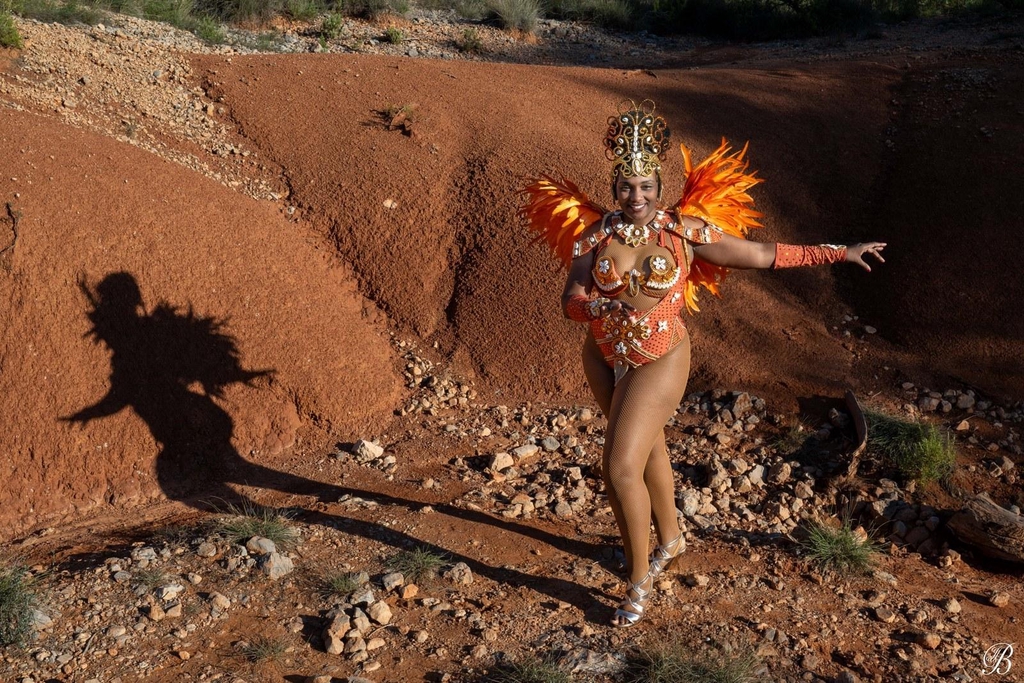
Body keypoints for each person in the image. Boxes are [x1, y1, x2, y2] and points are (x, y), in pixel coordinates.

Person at [522, 100, 885, 627]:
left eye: (647, 185)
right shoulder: (593, 235)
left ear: (659, 185)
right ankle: (670, 537)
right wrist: (597, 304)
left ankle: (638, 578)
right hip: (602, 358)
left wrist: (837, 251)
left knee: (619, 465)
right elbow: (570, 301)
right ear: (614, 185)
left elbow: (760, 254)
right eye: (626, 186)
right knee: (647, 452)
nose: (637, 196)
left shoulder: (685, 232)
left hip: (660, 359)